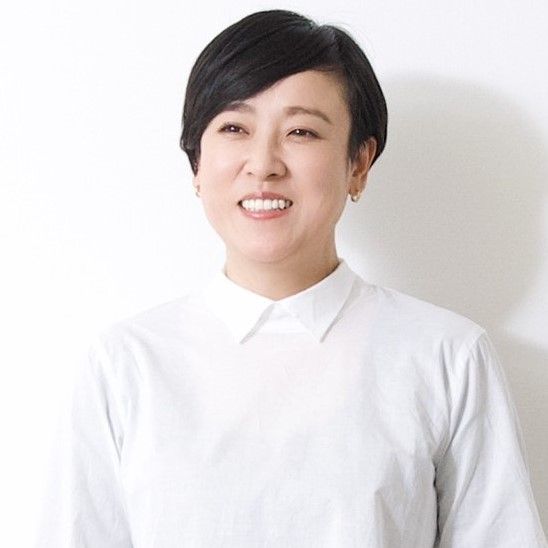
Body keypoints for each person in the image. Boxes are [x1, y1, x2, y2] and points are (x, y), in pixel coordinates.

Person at [38, 10, 547, 547]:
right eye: (234, 128)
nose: (263, 164)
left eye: (301, 132)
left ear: (359, 164)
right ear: (197, 163)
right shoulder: (126, 364)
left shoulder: (446, 356)